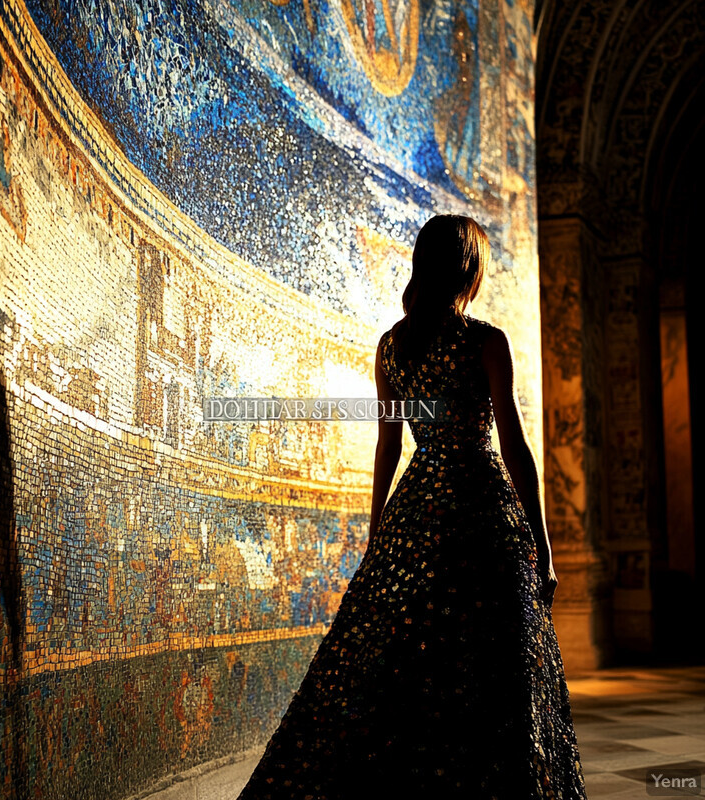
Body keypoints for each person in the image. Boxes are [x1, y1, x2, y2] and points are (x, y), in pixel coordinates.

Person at [236, 214, 588, 799]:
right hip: (481, 512)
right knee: (491, 668)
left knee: (410, 665)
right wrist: (544, 548)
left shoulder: (391, 347)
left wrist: (380, 537)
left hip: (417, 512)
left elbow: (389, 444)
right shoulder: (484, 341)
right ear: (469, 270)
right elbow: (516, 449)